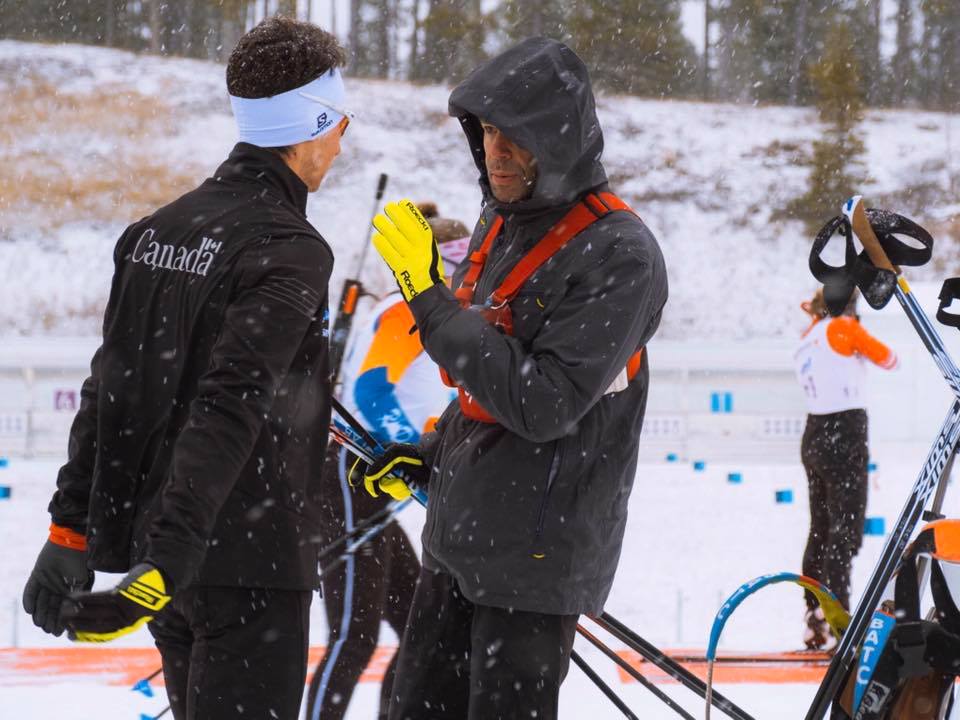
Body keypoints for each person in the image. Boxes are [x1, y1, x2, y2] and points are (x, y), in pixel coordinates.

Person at [21, 16, 349, 720]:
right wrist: (170, 555)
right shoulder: (290, 248)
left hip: (171, 553)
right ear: (314, 126)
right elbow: (231, 403)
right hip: (241, 557)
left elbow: (110, 388)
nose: (341, 143)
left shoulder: (158, 230)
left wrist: (72, 527)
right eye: (338, 124)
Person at [365, 37, 669, 720]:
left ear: (560, 142)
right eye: (489, 132)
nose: (497, 151)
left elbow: (541, 402)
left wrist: (426, 293)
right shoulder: (500, 222)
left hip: (535, 563)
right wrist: (432, 453)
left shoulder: (622, 254)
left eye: (519, 138)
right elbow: (487, 373)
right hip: (458, 540)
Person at [306, 204, 467, 720]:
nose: (467, 278)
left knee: (418, 629)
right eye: (458, 266)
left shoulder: (435, 316)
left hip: (376, 486)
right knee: (355, 635)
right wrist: (413, 460)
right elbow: (372, 392)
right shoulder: (406, 311)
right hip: (353, 479)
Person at [794, 288, 898, 650]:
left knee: (820, 528)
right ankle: (842, 620)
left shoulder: (808, 338)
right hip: (844, 432)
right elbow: (889, 359)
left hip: (813, 433)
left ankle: (814, 612)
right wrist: (855, 331)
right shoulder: (843, 328)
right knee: (846, 529)